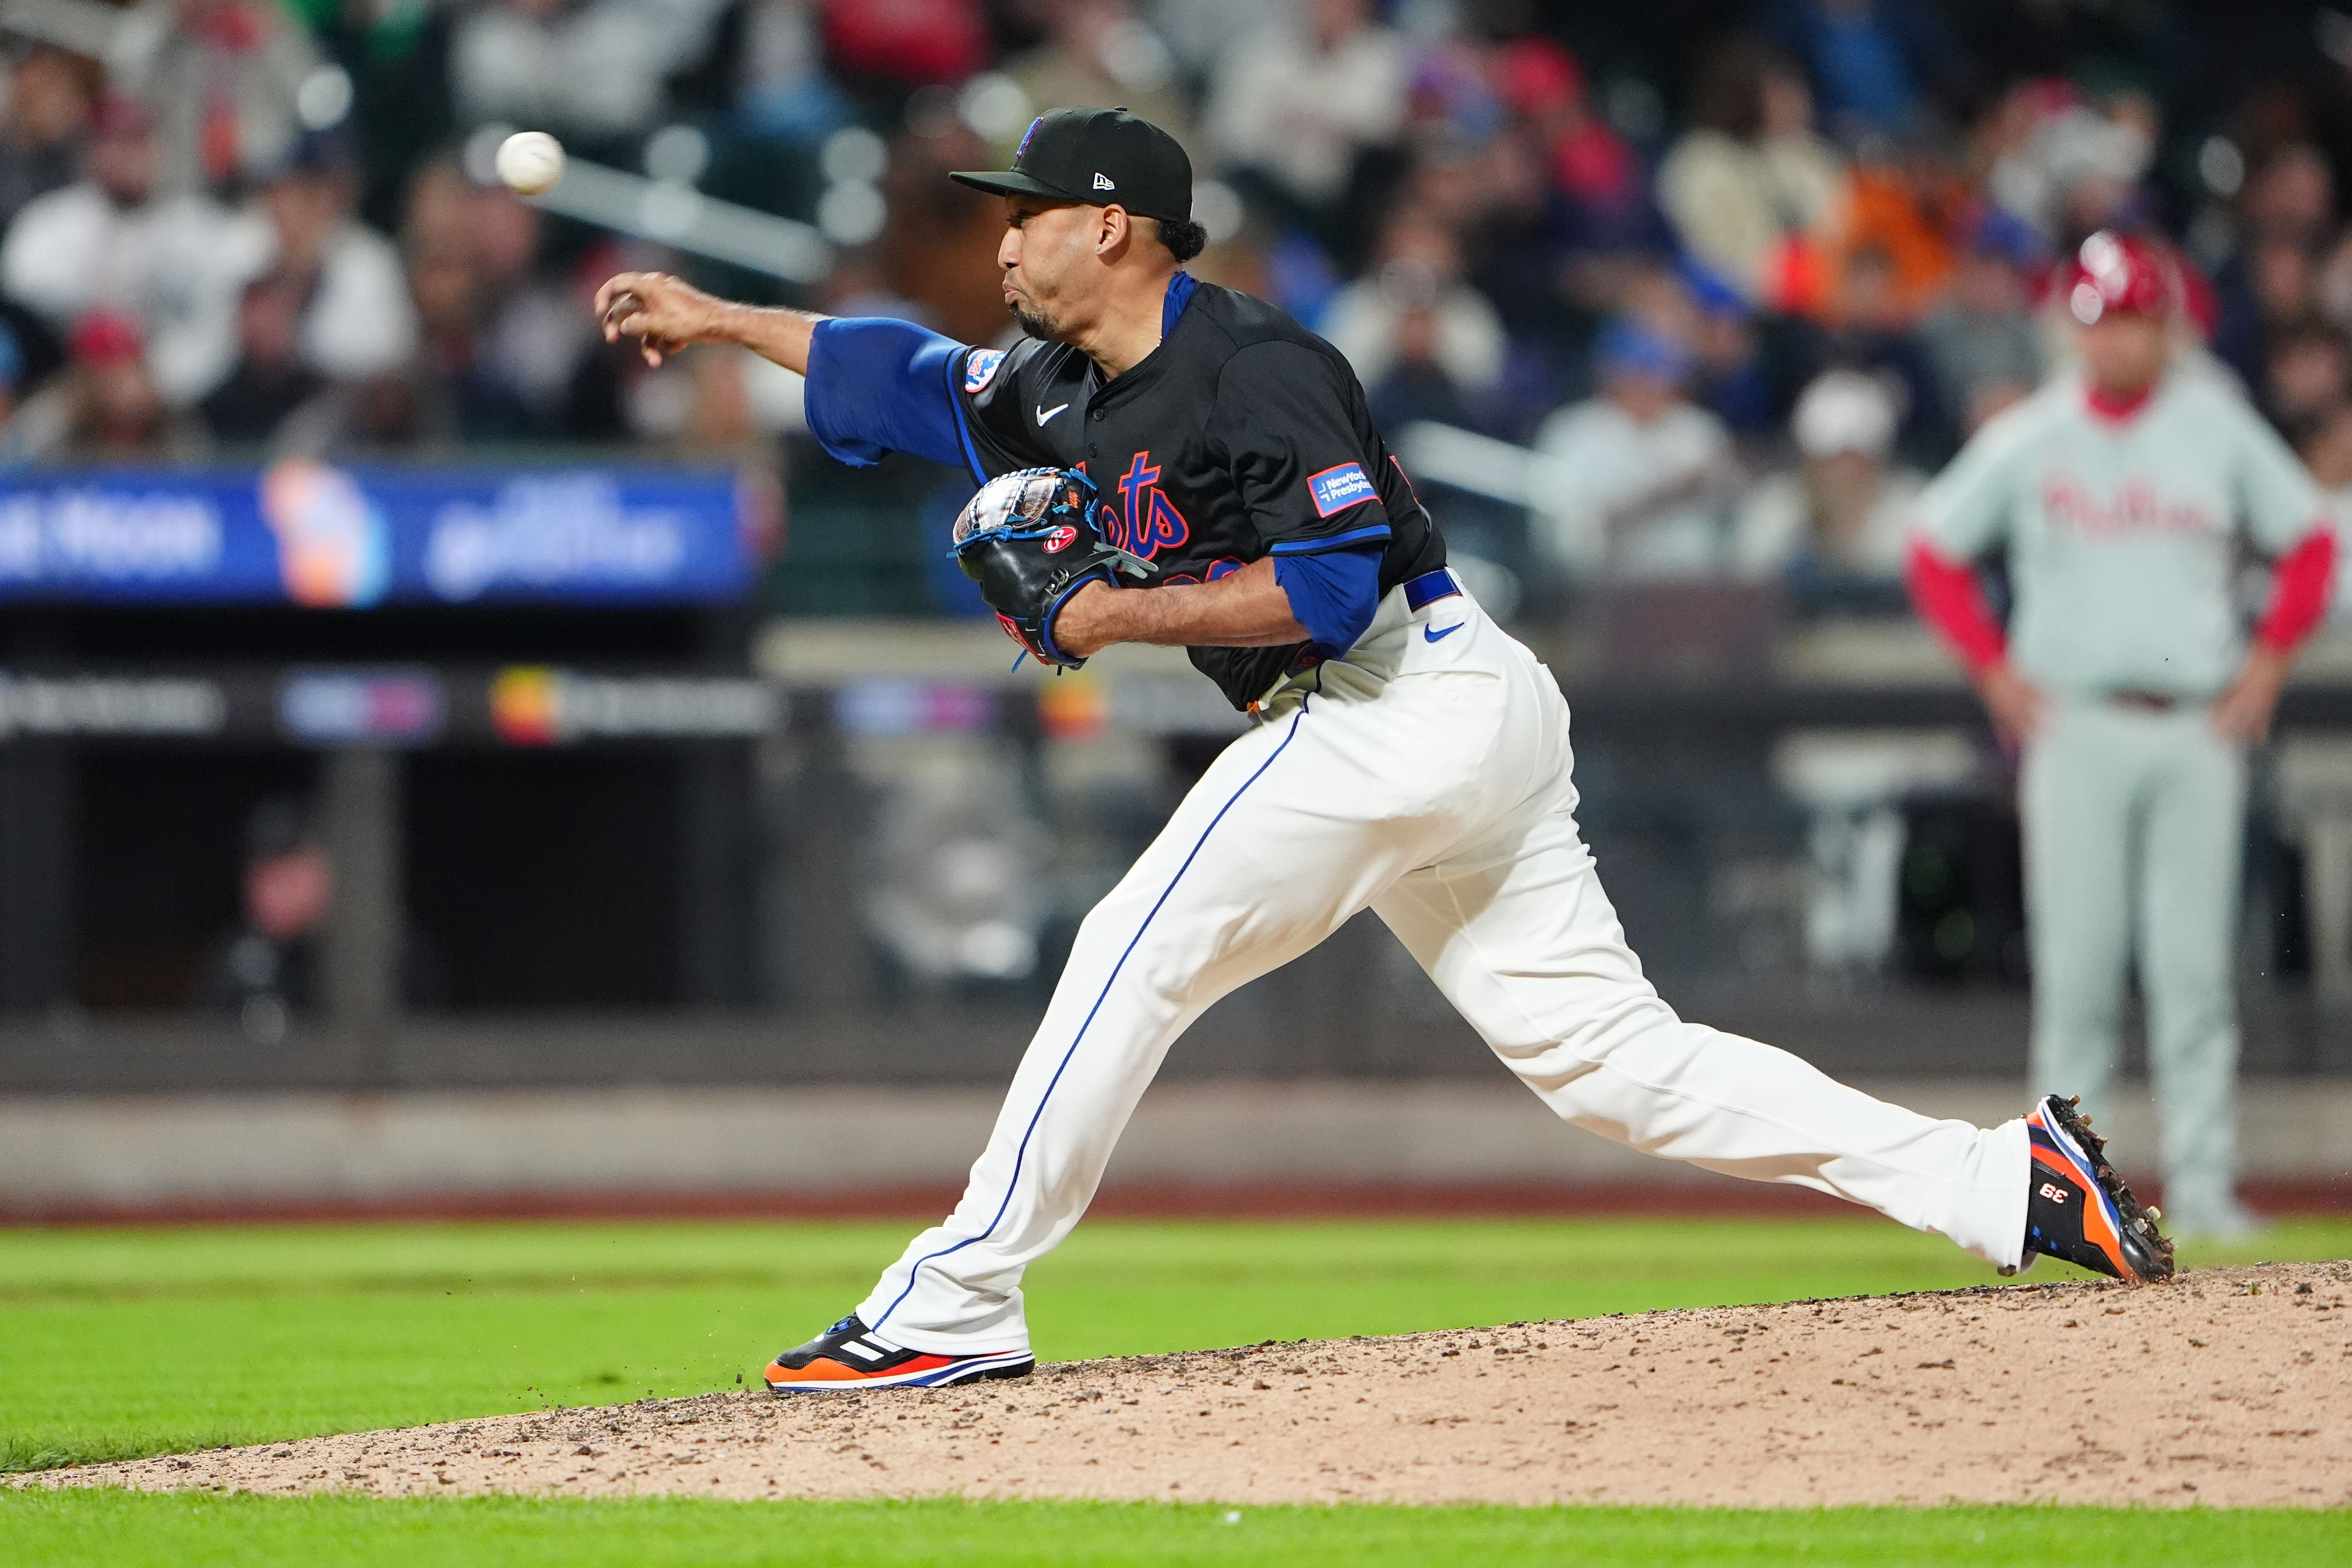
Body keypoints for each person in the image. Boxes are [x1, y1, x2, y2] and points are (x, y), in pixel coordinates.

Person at [597, 107, 2173, 1393]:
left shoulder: (1257, 367)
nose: (996, 233)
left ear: (1112, 225)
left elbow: (1325, 586)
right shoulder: (1054, 384)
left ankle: (955, 1296)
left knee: (1126, 944)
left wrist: (1103, 618)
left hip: (1401, 685)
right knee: (1614, 1066)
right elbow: (901, 374)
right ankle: (2007, 1181)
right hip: (1416, 721)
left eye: (1026, 207)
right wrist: (721, 317)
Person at [1907, 232, 2338, 1241]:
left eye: (2136, 318)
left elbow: (2311, 539)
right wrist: (1992, 668)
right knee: (2077, 972)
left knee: (2191, 970)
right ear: (2075, 324)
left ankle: (2203, 1183)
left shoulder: (2213, 426)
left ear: (2164, 323)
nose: (2117, 339)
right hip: (2077, 720)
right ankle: (2061, 1197)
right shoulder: (2035, 430)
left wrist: (2268, 658)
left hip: (2191, 722)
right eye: (2101, 320)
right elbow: (1931, 548)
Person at [1527, 316, 1738, 581]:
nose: (1653, 389)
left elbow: (1730, 511)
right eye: (1641, 377)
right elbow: (1562, 537)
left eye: (1662, 378)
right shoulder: (1573, 432)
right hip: (1601, 591)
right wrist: (1656, 499)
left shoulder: (1699, 430)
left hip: (1692, 587)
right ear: (1611, 376)